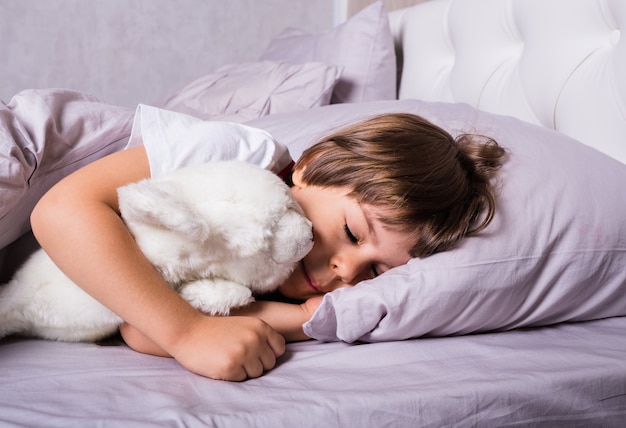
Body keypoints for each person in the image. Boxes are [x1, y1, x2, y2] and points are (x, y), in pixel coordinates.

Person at [30, 108, 505, 381]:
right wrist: (187, 334)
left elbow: (140, 327)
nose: (347, 271)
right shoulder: (243, 157)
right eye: (354, 233)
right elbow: (60, 212)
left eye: (376, 272)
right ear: (312, 165)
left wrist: (302, 319)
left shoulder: (264, 276)